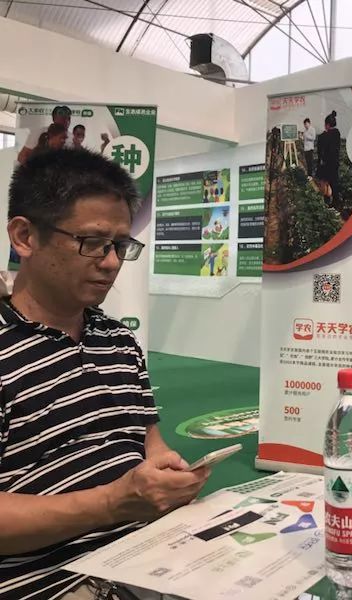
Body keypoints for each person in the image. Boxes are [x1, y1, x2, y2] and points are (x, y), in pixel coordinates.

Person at [0, 149, 210, 599]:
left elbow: (149, 441)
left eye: (120, 245)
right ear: (25, 236)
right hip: (50, 581)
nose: (112, 262)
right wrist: (113, 502)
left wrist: (169, 473)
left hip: (148, 558)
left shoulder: (118, 340)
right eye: (92, 242)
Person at [316, 111, 341, 208]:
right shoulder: (337, 134)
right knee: (334, 183)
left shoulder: (323, 136)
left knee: (324, 182)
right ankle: (336, 203)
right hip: (335, 163)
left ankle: (326, 202)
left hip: (326, 163)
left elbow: (320, 151)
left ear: (327, 124)